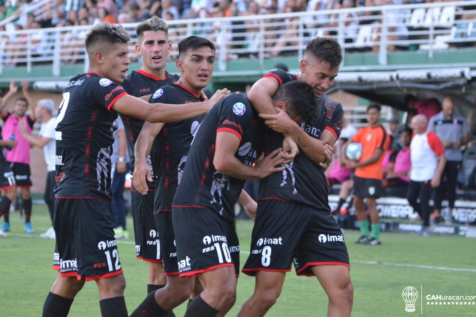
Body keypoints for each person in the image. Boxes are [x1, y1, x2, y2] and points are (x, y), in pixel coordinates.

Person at [42, 22, 228, 317]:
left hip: (69, 192)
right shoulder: (99, 85)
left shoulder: (78, 84)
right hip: (86, 195)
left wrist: (185, 100)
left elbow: (144, 103)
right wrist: (206, 106)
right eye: (120, 55)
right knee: (114, 284)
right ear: (100, 57)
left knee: (70, 280)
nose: (127, 61)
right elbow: (152, 111)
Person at [131, 81, 317, 317]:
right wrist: (258, 172)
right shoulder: (238, 106)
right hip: (197, 204)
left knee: (222, 296)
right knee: (214, 290)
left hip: (221, 211)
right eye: (293, 123)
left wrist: (291, 137)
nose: (291, 129)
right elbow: (223, 162)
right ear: (280, 107)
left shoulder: (265, 126)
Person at [239, 38, 353, 317]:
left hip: (317, 206)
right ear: (304, 66)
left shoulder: (332, 109)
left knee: (343, 288)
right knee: (267, 295)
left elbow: (322, 157)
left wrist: (291, 129)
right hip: (279, 204)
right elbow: (255, 94)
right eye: (321, 76)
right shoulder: (280, 82)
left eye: (332, 78)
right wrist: (293, 134)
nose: (326, 84)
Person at [131, 35, 218, 317]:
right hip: (173, 204)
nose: (204, 66)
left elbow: (210, 162)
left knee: (206, 288)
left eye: (210, 60)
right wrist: (140, 161)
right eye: (197, 59)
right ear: (179, 64)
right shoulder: (167, 94)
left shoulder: (207, 102)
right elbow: (147, 132)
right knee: (181, 288)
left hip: (204, 205)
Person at [119, 17, 180, 296]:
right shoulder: (126, 84)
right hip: (149, 185)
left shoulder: (182, 82)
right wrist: (166, 98)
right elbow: (138, 111)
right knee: (158, 269)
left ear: (170, 47)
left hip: (183, 186)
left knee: (191, 268)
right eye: (149, 43)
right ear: (137, 49)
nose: (156, 49)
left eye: (160, 43)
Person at [343, 104, 391, 245]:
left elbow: (376, 156)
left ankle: (375, 236)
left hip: (373, 174)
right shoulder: (363, 130)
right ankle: (364, 234)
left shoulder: (383, 133)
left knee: (371, 203)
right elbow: (348, 143)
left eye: (374, 114)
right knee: (357, 202)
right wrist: (344, 158)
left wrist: (355, 164)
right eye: (369, 114)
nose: (371, 116)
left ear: (379, 115)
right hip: (359, 174)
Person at [0, 80, 36, 234]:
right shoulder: (7, 117)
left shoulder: (28, 120)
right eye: (19, 105)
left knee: (25, 192)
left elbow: (35, 111)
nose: (21, 107)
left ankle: (27, 223)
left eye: (23, 106)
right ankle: (6, 223)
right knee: (6, 192)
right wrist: (11, 92)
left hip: (22, 162)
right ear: (14, 107)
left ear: (26, 108)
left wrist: (26, 92)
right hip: (6, 163)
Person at [19, 99, 57, 239]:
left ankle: (59, 229)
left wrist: (25, 135)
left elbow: (41, 143)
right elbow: (37, 140)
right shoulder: (45, 125)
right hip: (51, 167)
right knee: (48, 198)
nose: (35, 110)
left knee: (53, 198)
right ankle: (55, 227)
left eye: (38, 108)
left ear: (44, 111)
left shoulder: (53, 123)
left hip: (58, 167)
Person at [428, 97, 468, 220]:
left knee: (451, 186)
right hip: (439, 158)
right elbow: (429, 138)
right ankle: (436, 212)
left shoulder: (460, 120)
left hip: (454, 157)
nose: (450, 112)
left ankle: (450, 211)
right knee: (437, 185)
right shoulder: (434, 120)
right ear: (442, 107)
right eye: (447, 109)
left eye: (452, 109)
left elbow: (465, 139)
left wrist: (459, 143)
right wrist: (440, 143)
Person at [408, 114, 446, 236]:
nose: (412, 126)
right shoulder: (414, 136)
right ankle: (428, 216)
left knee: (424, 199)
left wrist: (437, 175)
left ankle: (426, 225)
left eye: (415, 124)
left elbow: (442, 157)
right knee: (411, 198)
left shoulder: (432, 137)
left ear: (423, 124)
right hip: (415, 174)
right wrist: (410, 169)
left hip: (427, 174)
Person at [111, 118, 129, 239]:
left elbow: (123, 136)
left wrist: (121, 159)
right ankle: (122, 228)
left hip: (117, 160)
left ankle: (116, 226)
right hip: (117, 160)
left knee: (110, 193)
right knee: (117, 195)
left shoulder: (117, 117)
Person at [383, 126, 412, 198]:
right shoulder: (400, 151)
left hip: (403, 179)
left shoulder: (412, 151)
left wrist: (395, 175)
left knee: (379, 184)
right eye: (403, 136)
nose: (404, 139)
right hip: (395, 178)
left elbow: (410, 171)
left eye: (407, 136)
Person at [0, 128, 18, 237]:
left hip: (3, 163)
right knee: (12, 193)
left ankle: (5, 223)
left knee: (6, 194)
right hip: (2, 166)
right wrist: (8, 142)